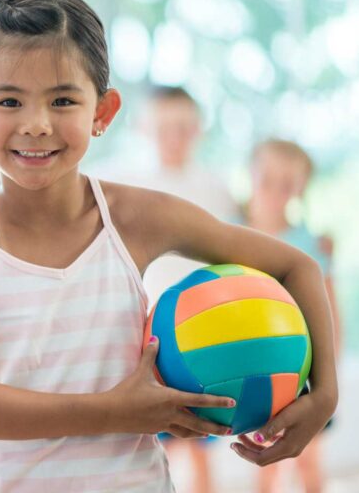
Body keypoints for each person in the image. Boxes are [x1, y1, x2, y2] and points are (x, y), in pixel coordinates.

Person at [0, 0, 338, 492]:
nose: (36, 124)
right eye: (9, 100)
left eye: (63, 100)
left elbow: (299, 267)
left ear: (103, 112)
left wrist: (325, 395)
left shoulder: (137, 217)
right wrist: (114, 412)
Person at [119, 85, 239, 493]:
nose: (174, 136)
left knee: (204, 438)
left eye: (184, 126)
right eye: (164, 127)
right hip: (145, 333)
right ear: (144, 128)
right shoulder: (125, 185)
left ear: (198, 130)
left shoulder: (215, 188)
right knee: (153, 443)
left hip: (207, 331)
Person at [246, 139, 341, 493]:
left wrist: (330, 375)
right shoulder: (228, 232)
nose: (275, 190)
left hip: (304, 369)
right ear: (251, 175)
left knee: (310, 462)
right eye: (267, 178)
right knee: (265, 466)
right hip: (255, 371)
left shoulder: (311, 244)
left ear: (301, 188)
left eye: (287, 183)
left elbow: (331, 313)